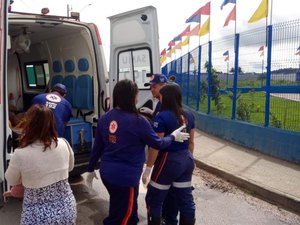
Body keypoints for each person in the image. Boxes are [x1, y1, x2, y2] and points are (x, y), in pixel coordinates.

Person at [86, 79, 190, 225]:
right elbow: (158, 143)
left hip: (107, 174)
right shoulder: (139, 121)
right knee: (122, 217)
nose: (138, 97)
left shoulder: (105, 118)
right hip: (125, 178)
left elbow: (97, 147)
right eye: (137, 94)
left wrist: (90, 170)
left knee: (126, 209)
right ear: (132, 97)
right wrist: (173, 136)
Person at [5, 104, 76, 225]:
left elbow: (11, 180)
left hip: (37, 217)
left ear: (28, 125)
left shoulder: (21, 154)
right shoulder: (64, 143)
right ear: (52, 123)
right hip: (67, 209)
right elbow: (70, 167)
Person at [143, 84, 196, 225]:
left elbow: (156, 146)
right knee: (185, 200)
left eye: (160, 97)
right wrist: (189, 161)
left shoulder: (162, 117)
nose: (159, 100)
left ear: (165, 98)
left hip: (168, 160)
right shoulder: (189, 115)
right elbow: (191, 143)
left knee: (154, 199)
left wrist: (148, 169)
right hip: (186, 159)